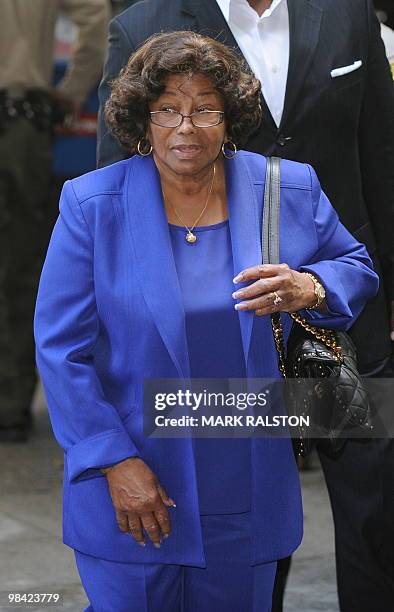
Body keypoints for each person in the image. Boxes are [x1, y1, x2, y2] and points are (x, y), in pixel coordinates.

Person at [34, 31, 379, 611]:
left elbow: (356, 265)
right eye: (167, 109)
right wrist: (112, 460)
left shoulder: (286, 188)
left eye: (204, 109)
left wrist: (310, 286)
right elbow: (60, 349)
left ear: (231, 115)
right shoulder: (92, 204)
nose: (186, 128)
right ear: (143, 118)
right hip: (134, 483)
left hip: (246, 484)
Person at [0, 0, 110, 442]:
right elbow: (95, 18)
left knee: (19, 262)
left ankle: (10, 401)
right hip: (18, 121)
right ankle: (9, 404)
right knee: (18, 263)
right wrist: (71, 88)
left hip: (16, 122)